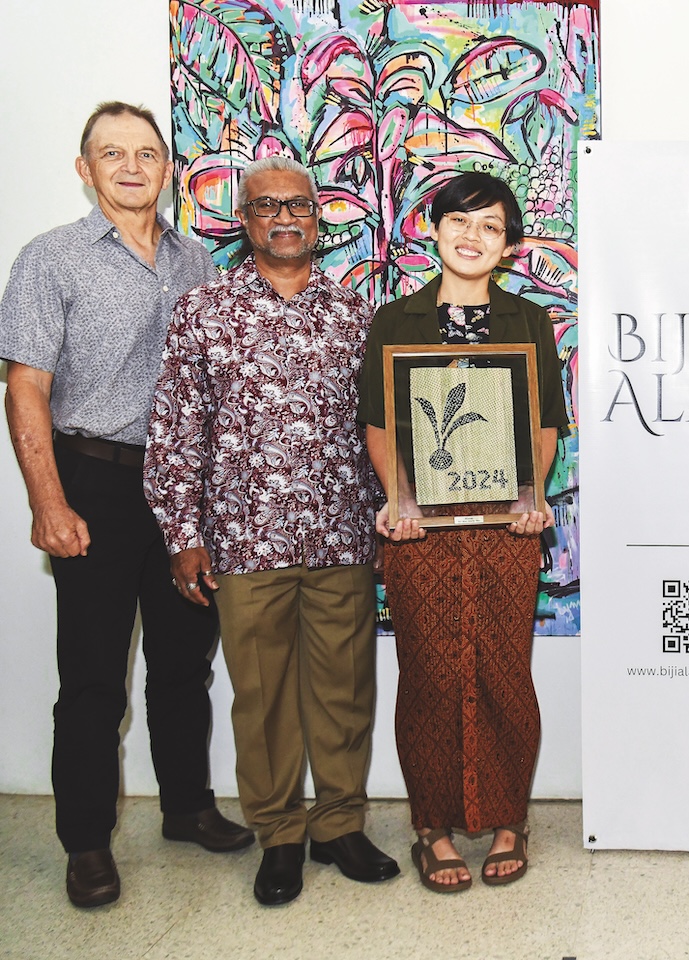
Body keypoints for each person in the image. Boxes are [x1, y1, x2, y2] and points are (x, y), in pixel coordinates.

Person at [0, 101, 253, 909]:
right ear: (86, 169)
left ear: (168, 170)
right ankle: (85, 843)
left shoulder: (196, 262)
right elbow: (25, 387)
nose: (132, 166)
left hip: (183, 492)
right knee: (93, 679)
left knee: (183, 664)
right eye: (112, 153)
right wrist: (48, 502)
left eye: (146, 153)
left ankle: (186, 808)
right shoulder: (50, 258)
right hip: (95, 482)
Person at [144, 155, 399, 906]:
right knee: (261, 698)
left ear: (317, 216)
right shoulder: (204, 311)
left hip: (341, 534)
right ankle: (280, 835)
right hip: (244, 539)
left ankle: (340, 825)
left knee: (345, 691)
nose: (284, 218)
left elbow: (385, 426)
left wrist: (394, 515)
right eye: (266, 206)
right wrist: (182, 533)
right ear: (245, 220)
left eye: (298, 205)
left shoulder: (356, 314)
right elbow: (176, 429)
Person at [357, 172, 566, 893]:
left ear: (508, 246)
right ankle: (433, 828)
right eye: (460, 221)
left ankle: (510, 819)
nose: (473, 236)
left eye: (491, 226)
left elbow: (545, 424)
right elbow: (379, 424)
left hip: (508, 531)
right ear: (434, 228)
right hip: (420, 535)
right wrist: (400, 499)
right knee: (430, 675)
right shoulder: (395, 321)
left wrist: (533, 496)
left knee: (505, 671)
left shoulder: (528, 323)